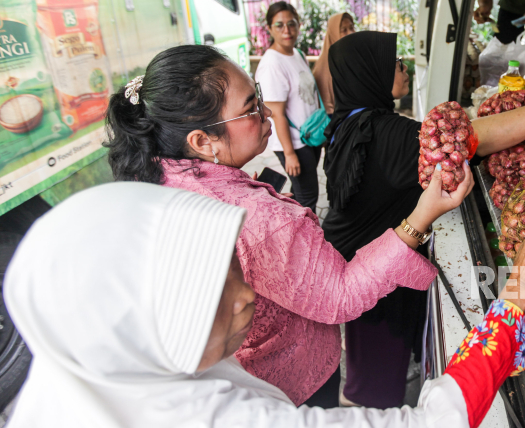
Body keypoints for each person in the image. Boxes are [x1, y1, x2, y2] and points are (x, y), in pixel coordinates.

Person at [3, 181, 525, 428]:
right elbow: (431, 424)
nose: (247, 296)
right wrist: (513, 300)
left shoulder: (102, 376)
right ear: (137, 325)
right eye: (209, 293)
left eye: (234, 267)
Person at [104, 44, 475, 409]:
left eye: (259, 96)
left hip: (248, 366)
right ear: (202, 141)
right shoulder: (258, 220)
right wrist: (419, 219)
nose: (266, 112)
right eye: (250, 108)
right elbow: (340, 296)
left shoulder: (160, 176)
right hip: (291, 381)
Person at [321, 31, 525, 408]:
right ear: (370, 74)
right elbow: (474, 138)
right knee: (375, 377)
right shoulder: (385, 133)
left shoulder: (350, 121)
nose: (404, 68)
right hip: (370, 276)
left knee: (391, 346)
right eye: (396, 64)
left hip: (367, 253)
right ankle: (377, 411)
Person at [256, 1, 323, 210]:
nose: (287, 30)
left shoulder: (297, 54)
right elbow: (276, 114)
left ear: (299, 25)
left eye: (292, 23)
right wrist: (289, 154)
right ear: (269, 28)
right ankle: (305, 237)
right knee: (308, 195)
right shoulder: (272, 64)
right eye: (279, 25)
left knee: (303, 190)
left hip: (309, 135)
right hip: (293, 142)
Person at [313, 12, 356, 116]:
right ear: (333, 34)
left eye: (351, 27)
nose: (350, 33)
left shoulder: (354, 59)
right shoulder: (323, 68)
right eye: (344, 30)